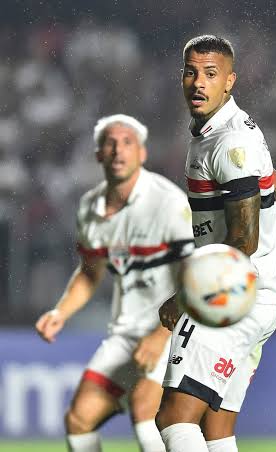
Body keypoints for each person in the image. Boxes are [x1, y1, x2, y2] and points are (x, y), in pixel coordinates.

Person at [154, 35, 276, 452]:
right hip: (259, 297)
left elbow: (243, 239)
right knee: (216, 430)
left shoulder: (230, 141)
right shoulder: (229, 131)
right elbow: (271, 179)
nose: (198, 83)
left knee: (174, 417)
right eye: (191, 72)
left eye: (211, 74)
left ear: (231, 81)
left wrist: (188, 297)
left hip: (229, 296)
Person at [35, 114, 195, 452]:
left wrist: (160, 335)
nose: (118, 150)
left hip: (175, 328)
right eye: (110, 143)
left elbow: (193, 278)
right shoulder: (90, 208)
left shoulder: (168, 202)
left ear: (142, 154)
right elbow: (91, 273)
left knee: (144, 408)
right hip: (127, 333)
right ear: (98, 155)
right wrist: (60, 312)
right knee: (79, 419)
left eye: (127, 143)